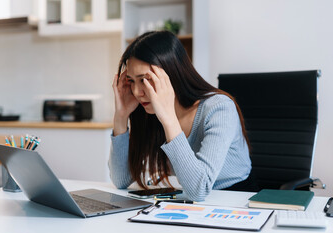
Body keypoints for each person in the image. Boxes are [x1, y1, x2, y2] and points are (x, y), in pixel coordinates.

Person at [109, 31, 257, 201]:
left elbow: (199, 190)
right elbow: (120, 181)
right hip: (187, 199)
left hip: (234, 199)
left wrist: (168, 118)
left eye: (145, 79)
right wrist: (121, 116)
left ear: (171, 74)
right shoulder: (149, 110)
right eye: (132, 81)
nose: (136, 92)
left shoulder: (219, 108)